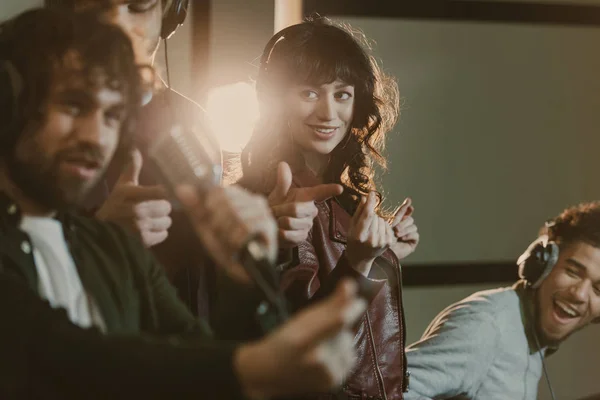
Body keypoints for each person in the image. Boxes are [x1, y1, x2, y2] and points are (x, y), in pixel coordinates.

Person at [0, 8, 365, 399]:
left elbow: (198, 353)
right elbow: (67, 353)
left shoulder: (111, 248)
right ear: (9, 104)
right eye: (73, 106)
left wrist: (242, 275)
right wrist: (249, 367)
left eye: (112, 116)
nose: (97, 137)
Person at [229, 17, 420, 399]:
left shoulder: (342, 198)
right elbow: (297, 348)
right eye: (310, 93)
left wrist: (383, 253)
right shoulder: (264, 203)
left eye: (342, 94)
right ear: (277, 98)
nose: (328, 113)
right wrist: (359, 263)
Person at [404, 202, 600, 400]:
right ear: (543, 263)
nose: (579, 295)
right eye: (572, 272)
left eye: (598, 289)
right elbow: (383, 392)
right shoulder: (484, 326)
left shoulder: (528, 340)